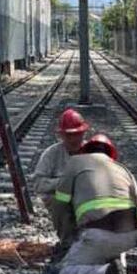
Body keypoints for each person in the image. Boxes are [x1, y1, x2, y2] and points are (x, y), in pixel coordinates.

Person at [54, 134, 137, 274]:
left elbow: (60, 205)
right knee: (107, 249)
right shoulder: (123, 169)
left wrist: (66, 238)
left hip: (98, 235)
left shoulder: (75, 162)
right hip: (129, 236)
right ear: (110, 154)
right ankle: (117, 264)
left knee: (66, 270)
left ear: (86, 151)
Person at [32, 108, 89, 255]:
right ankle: (68, 243)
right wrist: (64, 183)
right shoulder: (51, 154)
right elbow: (38, 183)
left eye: (77, 134)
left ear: (84, 133)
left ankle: (93, 240)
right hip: (61, 198)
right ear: (61, 135)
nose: (73, 139)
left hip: (87, 198)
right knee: (58, 201)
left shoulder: (93, 151)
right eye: (69, 135)